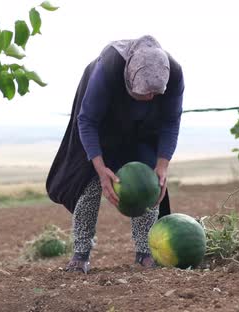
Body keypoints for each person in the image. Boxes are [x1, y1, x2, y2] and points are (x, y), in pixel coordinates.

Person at [46, 35, 184, 273]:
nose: (149, 99)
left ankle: (145, 253)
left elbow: (171, 122)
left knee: (150, 184)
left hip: (143, 129)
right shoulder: (108, 68)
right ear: (129, 79)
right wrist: (100, 170)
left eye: (154, 95)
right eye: (143, 94)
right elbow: (87, 121)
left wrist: (162, 165)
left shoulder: (174, 75)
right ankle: (80, 255)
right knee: (88, 186)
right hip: (102, 125)